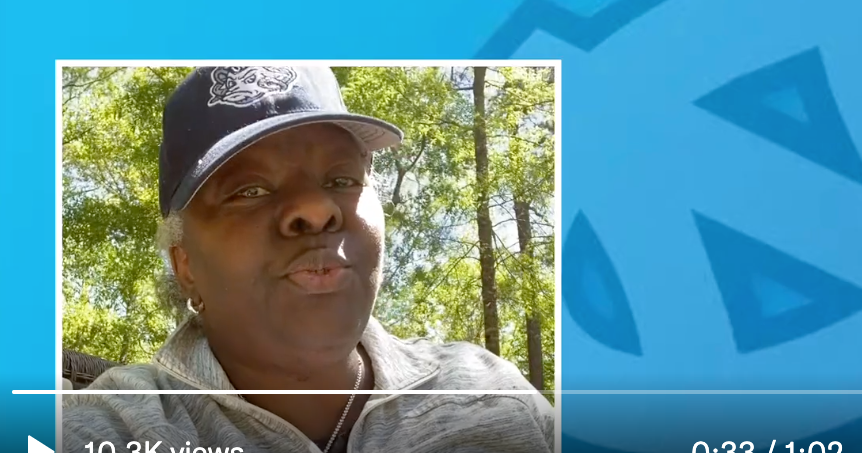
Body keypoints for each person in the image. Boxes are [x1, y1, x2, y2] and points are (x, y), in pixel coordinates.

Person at [62, 66, 555, 453]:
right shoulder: (116, 425)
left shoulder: (489, 391)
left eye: (342, 180)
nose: (315, 209)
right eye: (248, 190)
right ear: (185, 263)